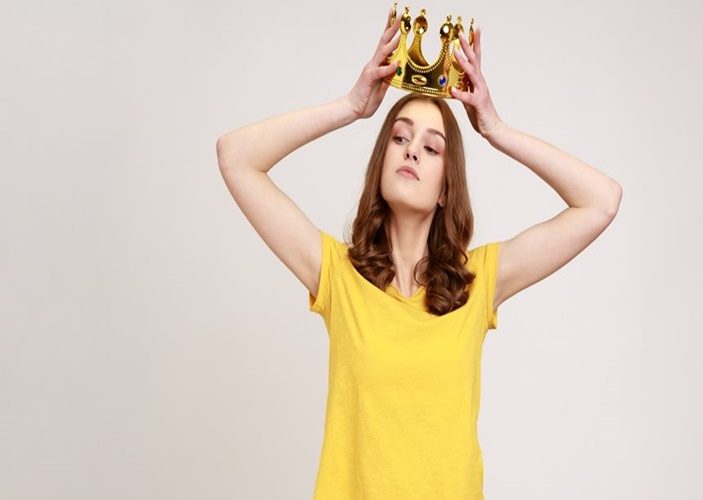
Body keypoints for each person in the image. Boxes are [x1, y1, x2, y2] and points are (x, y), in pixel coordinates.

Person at [216, 6, 622, 499]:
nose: (411, 151)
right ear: (380, 160)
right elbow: (235, 157)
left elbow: (601, 201)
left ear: (446, 188)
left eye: (431, 148)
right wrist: (352, 106)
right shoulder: (338, 277)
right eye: (399, 138)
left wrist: (493, 128)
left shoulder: (480, 281)